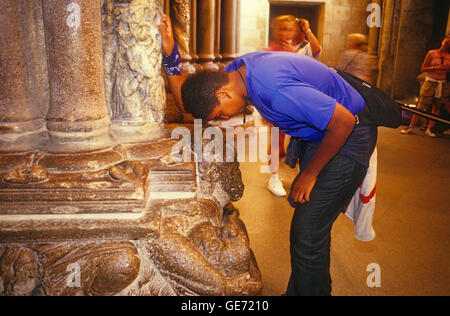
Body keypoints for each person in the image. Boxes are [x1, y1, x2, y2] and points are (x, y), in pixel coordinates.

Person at [159, 15, 377, 296]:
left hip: (348, 138)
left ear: (223, 94)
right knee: (307, 229)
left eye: (221, 114)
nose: (226, 117)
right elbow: (189, 104)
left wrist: (310, 175)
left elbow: (343, 122)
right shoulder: (236, 72)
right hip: (321, 136)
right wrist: (170, 53)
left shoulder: (273, 90)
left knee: (308, 231)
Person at [263, 15, 322, 197]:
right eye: (282, 28)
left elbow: (317, 50)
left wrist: (308, 30)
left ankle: (301, 175)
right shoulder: (271, 50)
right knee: (276, 143)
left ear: (297, 31)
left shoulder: (302, 49)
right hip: (278, 102)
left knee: (302, 140)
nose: (285, 33)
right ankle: (273, 178)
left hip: (300, 102)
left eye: (289, 29)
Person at [401, 35, 450, 137]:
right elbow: (423, 68)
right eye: (447, 40)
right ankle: (411, 126)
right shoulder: (432, 53)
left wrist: (446, 69)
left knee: (436, 107)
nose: (447, 43)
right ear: (443, 41)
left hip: (442, 83)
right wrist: (436, 67)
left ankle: (430, 128)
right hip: (431, 81)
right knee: (421, 104)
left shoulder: (449, 56)